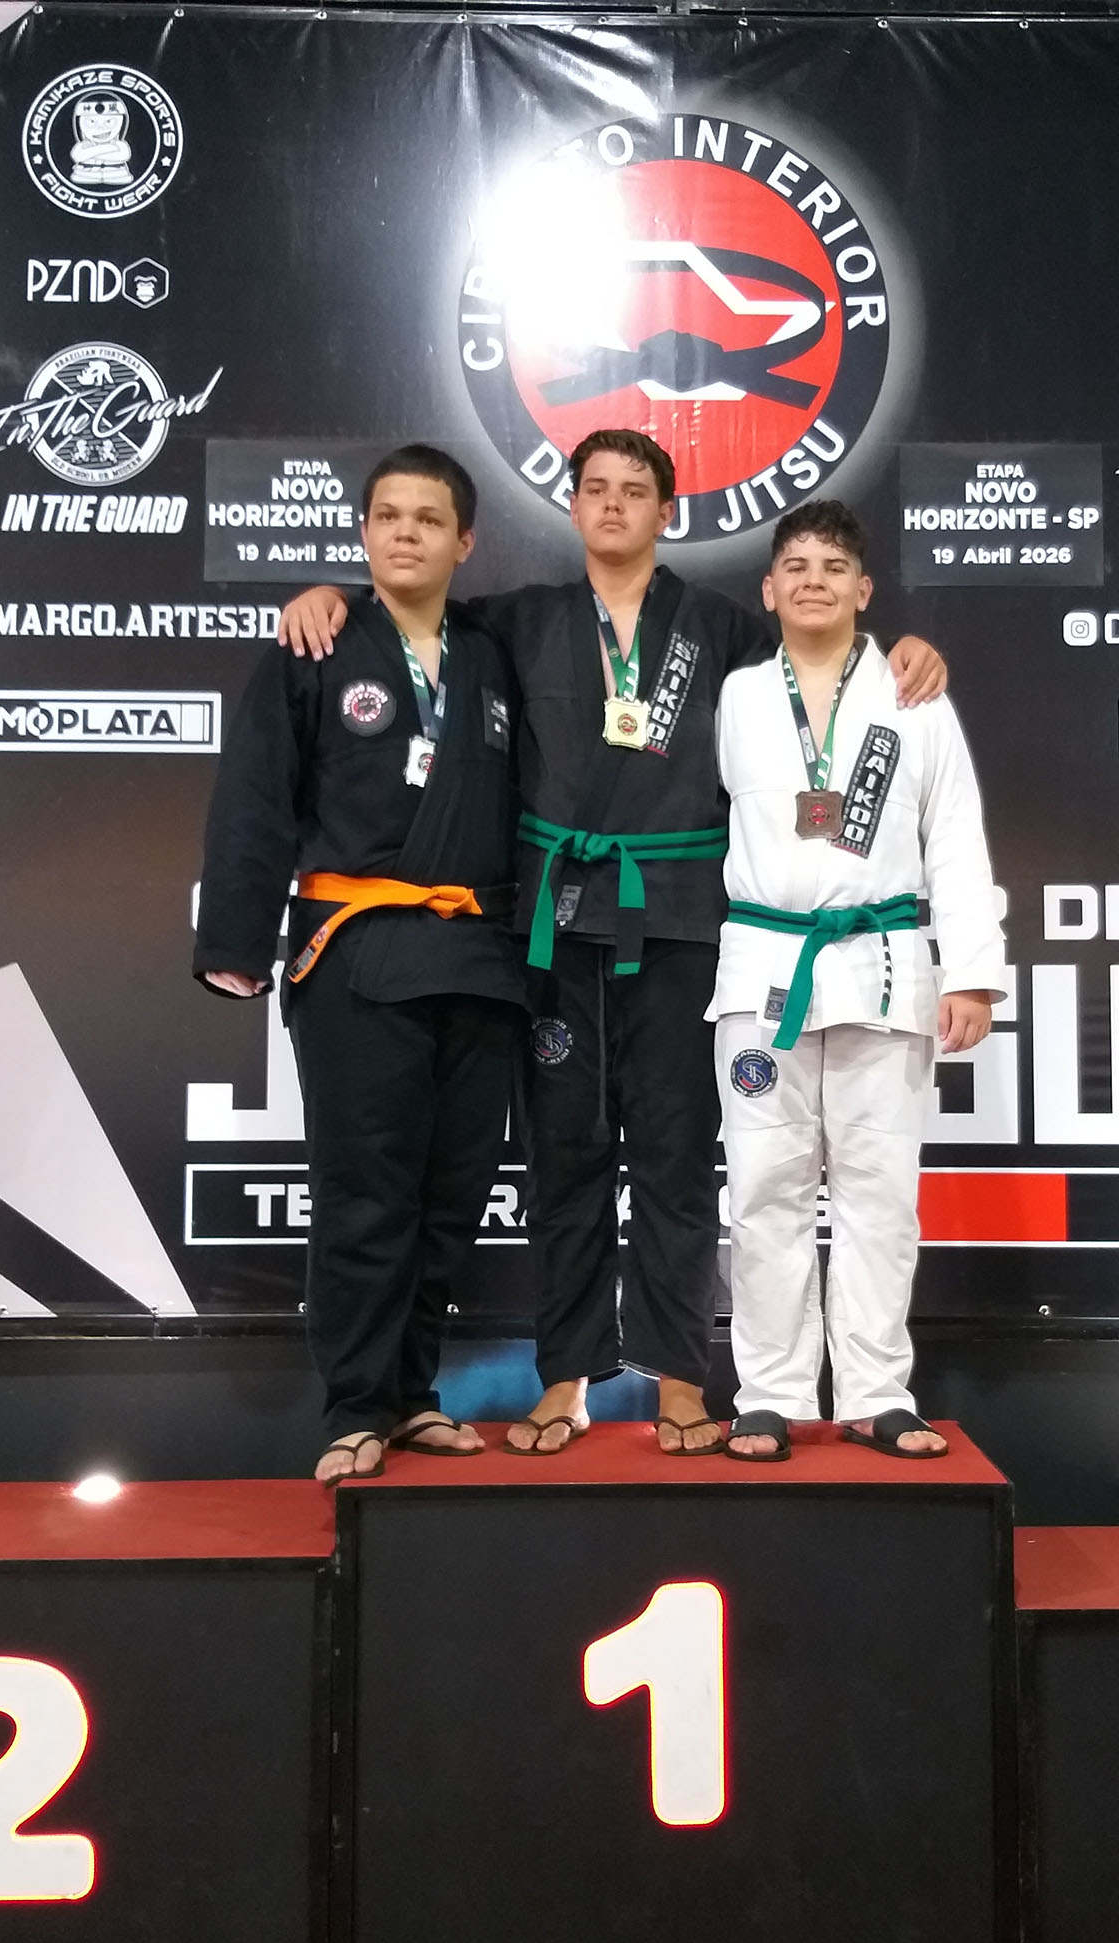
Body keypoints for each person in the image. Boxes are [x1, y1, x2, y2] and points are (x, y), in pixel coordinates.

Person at [276, 431, 946, 1457]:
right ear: (573, 504)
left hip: (679, 926)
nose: (614, 504)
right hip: (554, 928)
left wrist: (903, 650)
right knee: (564, 1159)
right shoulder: (516, 620)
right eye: (596, 488)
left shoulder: (722, 626)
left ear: (665, 512)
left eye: (635, 490)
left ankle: (680, 1376)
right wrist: (331, 595)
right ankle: (566, 1378)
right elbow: (410, 612)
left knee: (677, 1158)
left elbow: (819, 662)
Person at [195, 444, 524, 1484]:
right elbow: (256, 794)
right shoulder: (316, 646)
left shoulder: (496, 650)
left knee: (451, 1192)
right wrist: (237, 942)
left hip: (477, 957)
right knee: (364, 1189)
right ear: (364, 532)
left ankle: (413, 1392)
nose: (406, 533)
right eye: (388, 516)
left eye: (429, 519)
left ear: (465, 541)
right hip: (358, 953)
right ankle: (354, 1405)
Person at [710, 500, 1004, 1463]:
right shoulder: (736, 696)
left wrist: (972, 974)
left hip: (884, 968)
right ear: (768, 589)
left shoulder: (915, 696)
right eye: (795, 567)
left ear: (864, 589)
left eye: (833, 567)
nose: (813, 581)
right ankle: (771, 1394)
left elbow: (954, 839)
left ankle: (878, 1391)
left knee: (881, 1193)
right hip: (765, 974)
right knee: (765, 1188)